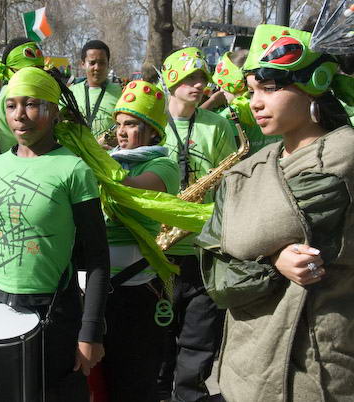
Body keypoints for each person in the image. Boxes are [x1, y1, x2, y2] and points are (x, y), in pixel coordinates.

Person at [195, 24, 354, 401]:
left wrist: (242, 246)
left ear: (315, 84)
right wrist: (271, 258)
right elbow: (214, 272)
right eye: (251, 91)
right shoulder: (251, 166)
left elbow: (246, 234)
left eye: (270, 88)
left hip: (316, 368)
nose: (255, 102)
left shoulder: (342, 154)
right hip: (246, 364)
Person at [0, 67, 110, 402]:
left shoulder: (73, 170)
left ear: (54, 111)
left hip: (52, 314)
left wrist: (91, 332)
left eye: (31, 104)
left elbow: (97, 260)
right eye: (11, 105)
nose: (20, 115)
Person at [157, 47, 237, 402]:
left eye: (202, 78)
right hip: (157, 248)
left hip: (202, 246)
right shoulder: (154, 122)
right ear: (172, 80)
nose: (199, 85)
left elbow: (229, 183)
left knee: (199, 342)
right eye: (190, 78)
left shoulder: (217, 125)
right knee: (154, 339)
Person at [101, 80, 180, 402]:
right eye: (118, 124)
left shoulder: (163, 165)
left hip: (140, 288)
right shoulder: (111, 160)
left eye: (131, 125)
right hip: (98, 286)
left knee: (134, 378)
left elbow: (129, 189)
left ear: (152, 132)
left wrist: (92, 157)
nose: (121, 132)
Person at [202, 50, 281, 155]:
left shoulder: (229, 114)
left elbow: (192, 124)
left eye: (221, 86)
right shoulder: (272, 105)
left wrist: (212, 102)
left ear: (233, 86)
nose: (219, 90)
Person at [0, 38, 46, 156]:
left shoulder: (47, 93)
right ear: (10, 70)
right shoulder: (8, 93)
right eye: (27, 73)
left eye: (39, 72)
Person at [69, 40, 122, 141]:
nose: (97, 68)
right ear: (83, 64)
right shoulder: (70, 93)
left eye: (102, 63)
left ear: (108, 64)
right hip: (76, 154)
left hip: (108, 154)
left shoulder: (120, 93)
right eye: (92, 63)